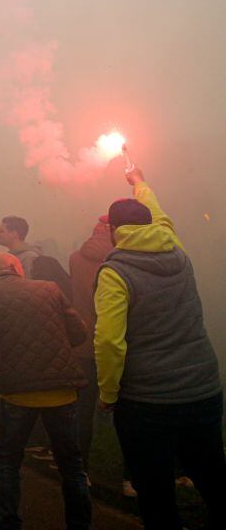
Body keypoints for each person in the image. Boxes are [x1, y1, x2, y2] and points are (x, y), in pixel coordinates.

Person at [95, 166, 224, 529]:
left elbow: (109, 341)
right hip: (203, 390)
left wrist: (108, 392)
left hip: (148, 403)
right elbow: (160, 213)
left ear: (113, 232)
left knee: (155, 492)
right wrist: (139, 183)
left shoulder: (114, 272)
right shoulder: (175, 248)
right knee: (214, 478)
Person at [0, 253, 92, 529]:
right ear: (17, 267)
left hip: (18, 391)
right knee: (72, 467)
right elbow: (79, 334)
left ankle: (10, 523)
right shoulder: (49, 288)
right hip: (61, 389)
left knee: (9, 462)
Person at [67, 217, 112, 472]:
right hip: (116, 341)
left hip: (84, 341)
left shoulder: (75, 258)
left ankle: (79, 468)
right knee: (126, 407)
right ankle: (131, 478)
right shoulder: (120, 259)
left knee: (82, 409)